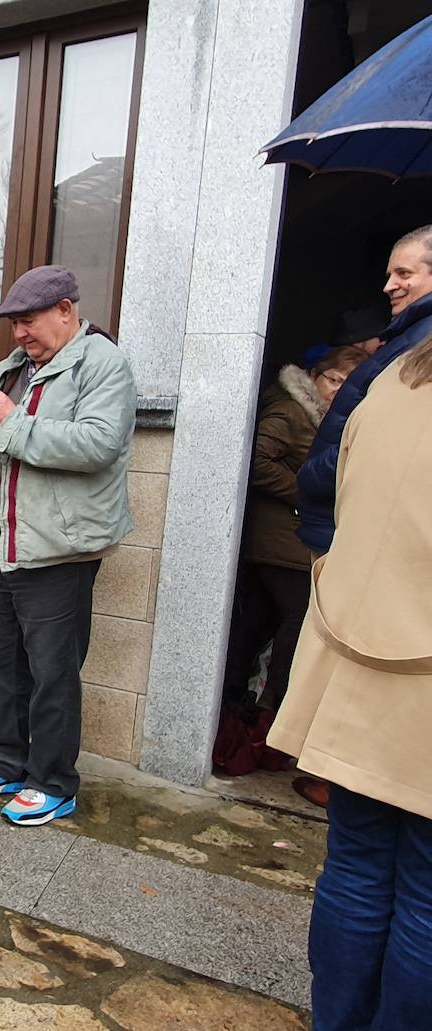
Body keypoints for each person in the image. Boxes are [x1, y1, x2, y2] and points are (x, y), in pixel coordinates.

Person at [267, 332, 432, 1031]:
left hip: (363, 659)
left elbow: (325, 490)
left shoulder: (396, 378)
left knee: (358, 867)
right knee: (422, 894)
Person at [0, 265, 135, 827]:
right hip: (8, 536)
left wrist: (12, 422)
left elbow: (98, 445)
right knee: (1, 657)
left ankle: (53, 781)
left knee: (53, 669)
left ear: (66, 310)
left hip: (59, 548)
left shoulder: (103, 364)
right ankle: (7, 759)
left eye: (28, 322)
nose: (20, 334)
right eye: (13, 325)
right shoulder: (16, 368)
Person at [239, 346, 366, 709]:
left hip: (283, 539)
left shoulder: (323, 417)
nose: (338, 389)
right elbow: (257, 459)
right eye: (333, 379)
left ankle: (247, 702)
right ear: (314, 375)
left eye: (347, 384)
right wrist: (302, 492)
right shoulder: (293, 410)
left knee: (260, 622)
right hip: (280, 542)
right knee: (297, 617)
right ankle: (272, 706)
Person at [298, 226, 432, 557]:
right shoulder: (411, 336)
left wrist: (315, 475)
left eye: (404, 273)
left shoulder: (421, 343)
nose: (389, 286)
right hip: (342, 521)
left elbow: (382, 436)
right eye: (390, 274)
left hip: (356, 526)